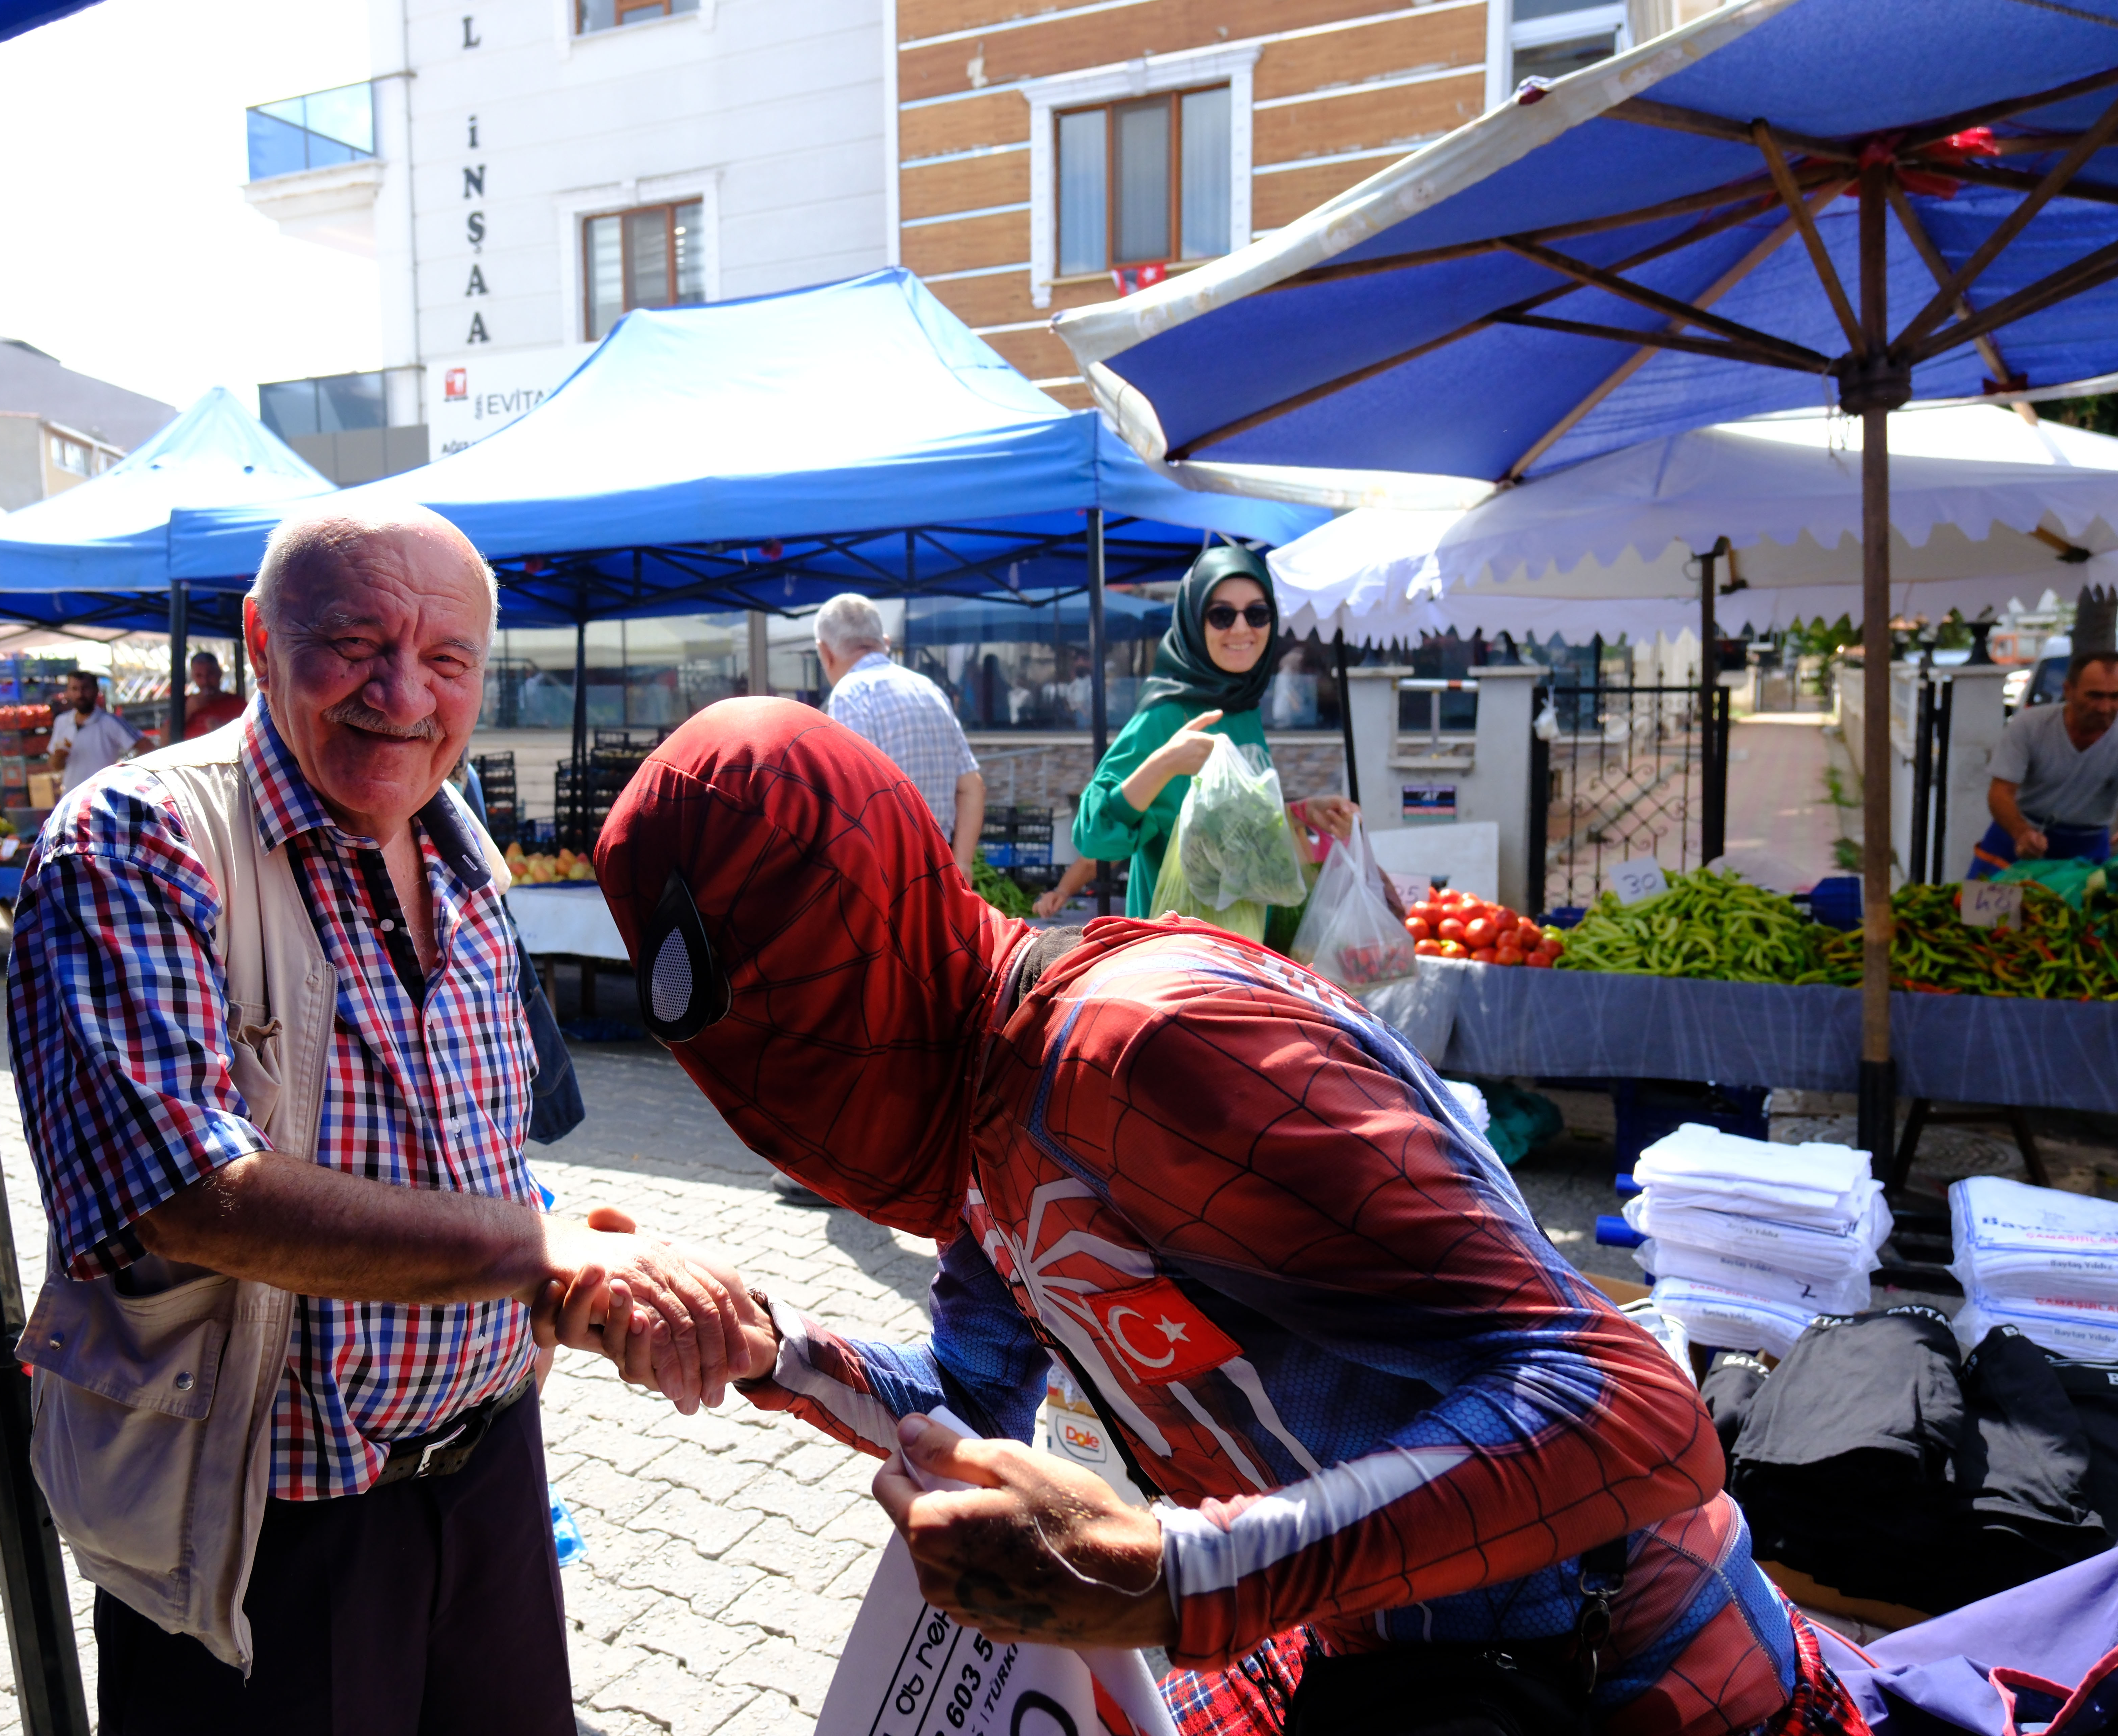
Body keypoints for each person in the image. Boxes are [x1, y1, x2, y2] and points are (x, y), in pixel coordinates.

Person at [566, 700, 1865, 1736]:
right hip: (1374, 1641)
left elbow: (1632, 1407)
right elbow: (968, 1392)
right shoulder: (986, 1107)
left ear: (886, 904)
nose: (789, 1113)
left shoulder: (1147, 1048)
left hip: (1617, 1661)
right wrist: (762, 1345)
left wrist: (1171, 1574)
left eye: (810, 1033)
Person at [5, 506, 749, 1735]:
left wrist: (568, 1248)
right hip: (264, 1524)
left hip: (490, 1481)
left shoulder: (461, 853)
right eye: (354, 644)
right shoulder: (137, 841)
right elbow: (185, 1194)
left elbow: (460, 1155)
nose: (403, 694)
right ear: (258, 636)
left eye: (448, 660)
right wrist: (530, 1247)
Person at [1074, 547, 1356, 948]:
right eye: (1221, 615)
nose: (1242, 629)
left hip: (1245, 958)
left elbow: (1233, 823)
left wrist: (1300, 813)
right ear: (1193, 622)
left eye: (1257, 614)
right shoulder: (1165, 715)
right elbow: (1093, 835)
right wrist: (1166, 762)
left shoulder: (1243, 705)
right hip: (1179, 966)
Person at [815, 592, 985, 876]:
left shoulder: (849, 695)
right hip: (942, 872)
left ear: (825, 652)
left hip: (889, 878)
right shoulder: (929, 689)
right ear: (886, 644)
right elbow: (972, 787)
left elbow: (852, 803)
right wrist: (962, 865)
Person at [1972, 644, 2118, 872]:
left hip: (2087, 848)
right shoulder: (2031, 725)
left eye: (2115, 697)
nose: (2105, 708)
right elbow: (2000, 792)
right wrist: (2021, 833)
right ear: (2069, 691)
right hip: (2018, 835)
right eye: (2095, 696)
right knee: (1980, 908)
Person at [46, 670, 141, 794]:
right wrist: (59, 757)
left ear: (96, 691)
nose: (80, 694)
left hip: (103, 797)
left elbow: (146, 747)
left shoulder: (110, 722)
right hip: (72, 797)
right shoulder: (62, 722)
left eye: (86, 689)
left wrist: (129, 778)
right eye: (75, 689)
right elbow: (55, 766)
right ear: (68, 693)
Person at [182, 649, 250, 740]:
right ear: (193, 677)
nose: (205, 681)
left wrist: (224, 730)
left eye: (210, 674)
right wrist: (188, 711)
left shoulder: (237, 703)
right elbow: (165, 742)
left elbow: (252, 737)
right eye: (199, 676)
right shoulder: (185, 703)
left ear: (220, 673)